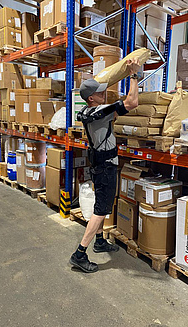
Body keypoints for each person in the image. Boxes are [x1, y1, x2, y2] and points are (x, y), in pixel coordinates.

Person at [70, 58, 140, 273]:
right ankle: (80, 253)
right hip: (106, 167)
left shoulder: (90, 112)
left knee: (102, 203)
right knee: (101, 210)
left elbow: (118, 111)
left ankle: (99, 241)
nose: (105, 94)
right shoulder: (100, 111)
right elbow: (132, 103)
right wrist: (134, 74)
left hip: (99, 165)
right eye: (100, 93)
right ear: (91, 98)